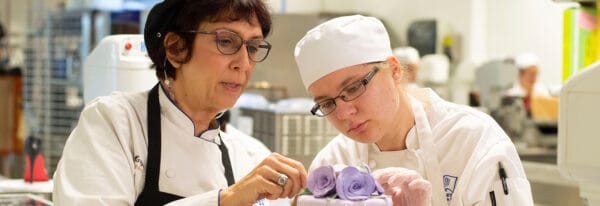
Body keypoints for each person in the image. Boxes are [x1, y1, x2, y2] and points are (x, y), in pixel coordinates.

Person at [53, 0, 307, 205]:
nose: (243, 63)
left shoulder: (251, 154)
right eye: (226, 41)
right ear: (176, 49)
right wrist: (225, 200)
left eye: (252, 47)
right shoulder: (115, 124)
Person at [294, 15, 533, 205]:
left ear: (395, 70)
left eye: (354, 87)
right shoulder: (336, 161)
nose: (344, 113)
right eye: (327, 103)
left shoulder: (473, 142)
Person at [505, 52, 550, 117]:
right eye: (530, 74)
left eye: (536, 74)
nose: (534, 78)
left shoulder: (543, 91)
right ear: (520, 75)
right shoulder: (511, 95)